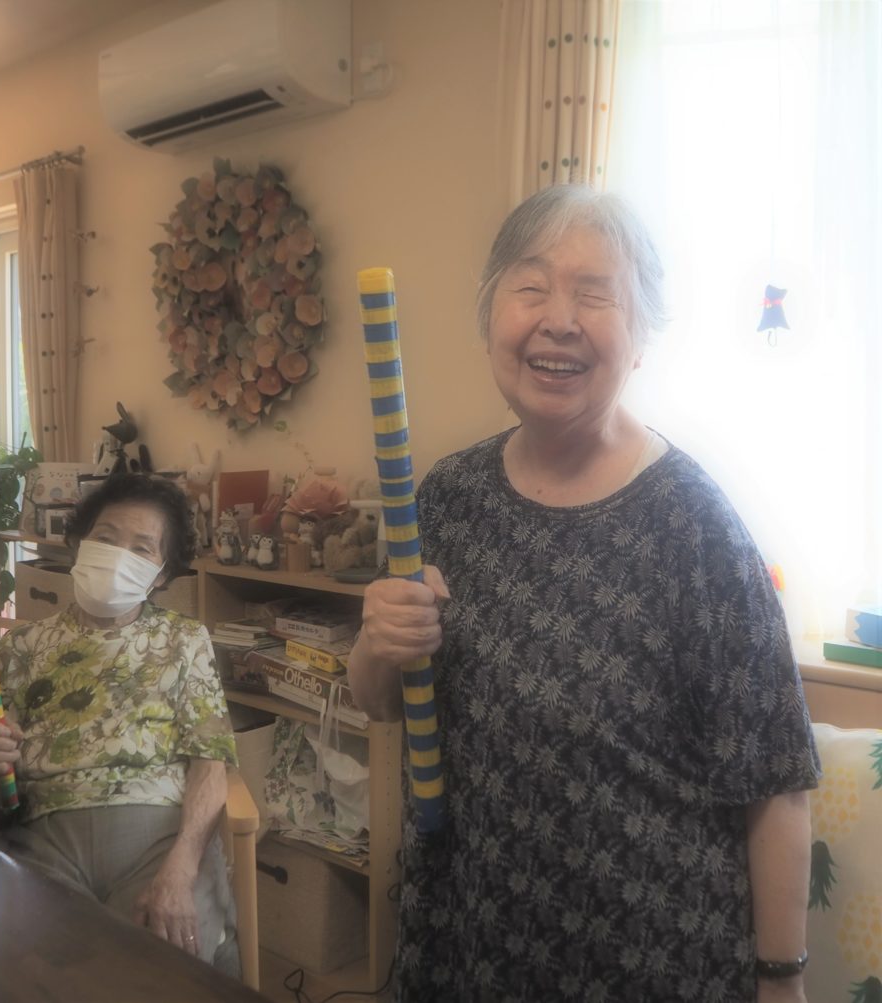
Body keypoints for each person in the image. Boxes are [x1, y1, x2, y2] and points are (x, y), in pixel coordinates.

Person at [347, 184, 820, 1003]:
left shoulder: (695, 525)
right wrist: (375, 643)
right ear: (490, 317)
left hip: (648, 962)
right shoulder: (446, 498)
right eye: (531, 287)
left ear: (640, 337)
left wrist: (782, 983)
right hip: (471, 941)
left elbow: (775, 778)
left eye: (595, 294)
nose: (558, 320)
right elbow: (382, 700)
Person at [0, 473, 239, 973]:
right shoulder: (19, 648)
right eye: (106, 538)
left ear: (161, 576)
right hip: (41, 838)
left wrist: (181, 868)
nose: (117, 556)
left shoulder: (185, 640)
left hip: (158, 837)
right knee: (30, 973)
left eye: (141, 548)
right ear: (78, 543)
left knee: (165, 971)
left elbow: (211, 765)